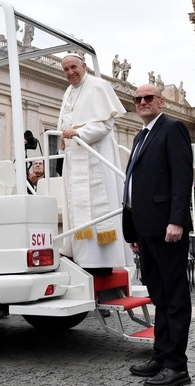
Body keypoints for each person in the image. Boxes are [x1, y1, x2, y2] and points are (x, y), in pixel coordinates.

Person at [123, 84, 192, 386]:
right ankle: (162, 355)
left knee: (174, 297)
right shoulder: (141, 136)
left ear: (161, 101)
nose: (142, 102)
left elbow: (181, 176)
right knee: (160, 296)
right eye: (137, 99)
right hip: (146, 230)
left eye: (148, 98)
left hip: (168, 230)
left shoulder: (172, 128)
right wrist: (133, 230)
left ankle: (177, 366)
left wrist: (177, 220)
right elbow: (133, 185)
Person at [57, 53, 133, 274]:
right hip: (74, 156)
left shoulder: (99, 85)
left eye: (74, 67)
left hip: (96, 157)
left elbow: (105, 123)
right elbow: (65, 121)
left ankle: (102, 261)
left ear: (84, 66)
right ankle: (78, 254)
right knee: (76, 207)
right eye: (66, 69)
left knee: (99, 208)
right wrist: (65, 139)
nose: (70, 72)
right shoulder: (68, 92)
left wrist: (79, 132)